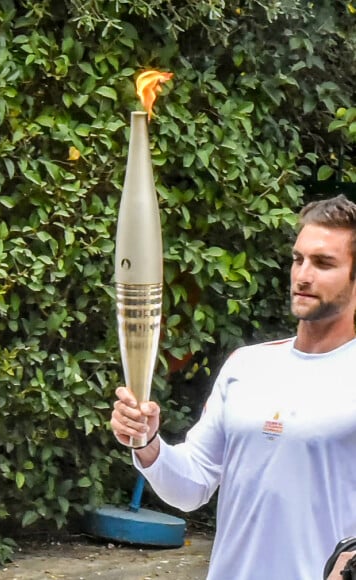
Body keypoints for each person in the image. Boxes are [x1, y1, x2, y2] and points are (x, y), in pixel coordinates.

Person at [110, 194, 356, 580]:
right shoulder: (247, 366)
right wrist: (148, 443)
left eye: (324, 263)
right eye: (298, 259)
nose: (303, 275)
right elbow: (191, 487)